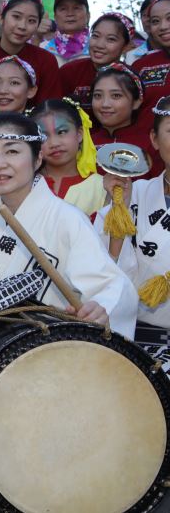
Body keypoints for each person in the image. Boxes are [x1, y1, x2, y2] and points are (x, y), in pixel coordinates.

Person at [0, 113, 137, 337]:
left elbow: (111, 287)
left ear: (38, 159)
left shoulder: (67, 219)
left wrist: (100, 307)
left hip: (47, 346)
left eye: (12, 151)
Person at [96, 97, 170, 353]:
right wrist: (119, 207)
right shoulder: (134, 193)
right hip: (127, 334)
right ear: (154, 139)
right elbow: (104, 270)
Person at [0, 0, 60, 103]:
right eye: (16, 17)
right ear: (1, 17)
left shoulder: (46, 61)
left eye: (31, 21)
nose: (22, 26)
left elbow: (50, 109)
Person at [30, 98, 104, 217]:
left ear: (79, 134)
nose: (54, 143)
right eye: (43, 136)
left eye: (62, 132)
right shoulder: (23, 184)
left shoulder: (101, 187)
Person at [89, 64, 158, 175]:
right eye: (98, 96)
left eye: (116, 96)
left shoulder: (151, 145)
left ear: (136, 102)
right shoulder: (83, 144)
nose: (105, 104)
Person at [59, 12, 135, 111]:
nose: (99, 45)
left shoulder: (131, 77)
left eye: (111, 39)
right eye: (95, 36)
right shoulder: (69, 71)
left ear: (126, 47)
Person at [41, 0, 91, 65]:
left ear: (88, 15)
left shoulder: (98, 49)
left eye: (76, 8)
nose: (70, 14)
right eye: (63, 9)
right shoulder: (43, 49)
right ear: (55, 17)